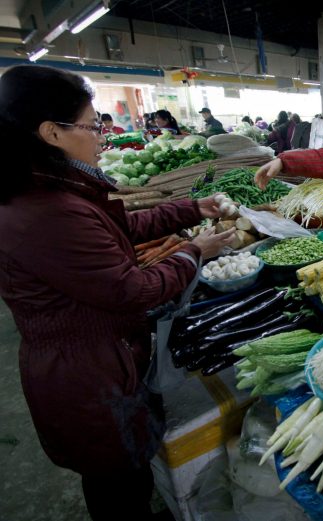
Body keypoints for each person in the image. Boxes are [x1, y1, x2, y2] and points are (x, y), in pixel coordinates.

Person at [0, 65, 236, 521]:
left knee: (121, 476)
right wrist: (194, 251)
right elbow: (134, 290)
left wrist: (188, 209)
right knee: (118, 486)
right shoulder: (47, 211)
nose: (100, 136)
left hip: (90, 358)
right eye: (92, 125)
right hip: (88, 375)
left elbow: (117, 229)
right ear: (51, 133)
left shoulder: (48, 189)